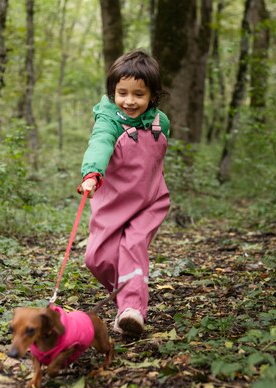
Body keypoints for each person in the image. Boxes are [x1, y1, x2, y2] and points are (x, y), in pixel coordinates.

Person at [78, 50, 170, 336]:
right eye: (122, 93)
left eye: (138, 94)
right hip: (113, 203)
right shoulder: (109, 121)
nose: (130, 101)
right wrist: (92, 172)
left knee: (132, 246)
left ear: (152, 96)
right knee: (97, 258)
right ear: (112, 92)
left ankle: (132, 309)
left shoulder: (161, 123)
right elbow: (101, 142)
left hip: (149, 202)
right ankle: (126, 295)